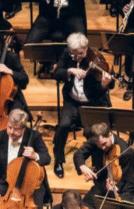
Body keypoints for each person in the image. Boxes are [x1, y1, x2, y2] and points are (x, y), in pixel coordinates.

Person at [52, 33, 114, 178]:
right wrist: (69, 70)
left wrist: (104, 85)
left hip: (92, 103)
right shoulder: (67, 55)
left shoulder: (97, 59)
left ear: (86, 49)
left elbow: (107, 88)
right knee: (63, 126)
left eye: (80, 53)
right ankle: (58, 160)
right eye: (73, 54)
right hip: (72, 102)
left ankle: (97, 164)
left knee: (91, 132)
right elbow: (56, 73)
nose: (77, 57)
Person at [74, 122, 134, 206]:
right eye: (99, 145)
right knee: (85, 206)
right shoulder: (97, 140)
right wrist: (82, 166)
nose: (102, 148)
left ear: (110, 135)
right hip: (102, 182)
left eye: (104, 144)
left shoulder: (125, 152)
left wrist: (114, 188)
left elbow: (127, 180)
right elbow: (79, 154)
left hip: (122, 188)